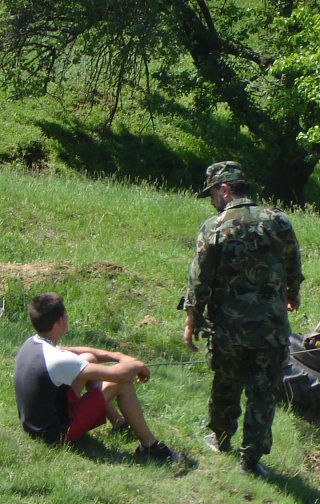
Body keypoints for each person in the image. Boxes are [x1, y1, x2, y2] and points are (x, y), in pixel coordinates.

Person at [183, 161, 304, 477]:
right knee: (263, 393)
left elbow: (199, 281)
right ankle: (251, 459)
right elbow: (293, 261)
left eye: (212, 193)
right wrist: (293, 293)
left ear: (224, 189)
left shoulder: (215, 227)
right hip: (272, 329)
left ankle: (220, 438)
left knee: (226, 382)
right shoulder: (279, 222)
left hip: (230, 329)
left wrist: (191, 321)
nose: (212, 200)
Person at [13, 292, 181, 462]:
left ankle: (119, 424)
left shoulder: (34, 343)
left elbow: (75, 352)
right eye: (66, 314)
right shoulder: (57, 359)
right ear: (59, 321)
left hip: (34, 425)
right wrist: (138, 365)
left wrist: (115, 355)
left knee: (88, 358)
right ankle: (150, 447)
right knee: (123, 384)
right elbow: (118, 375)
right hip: (56, 434)